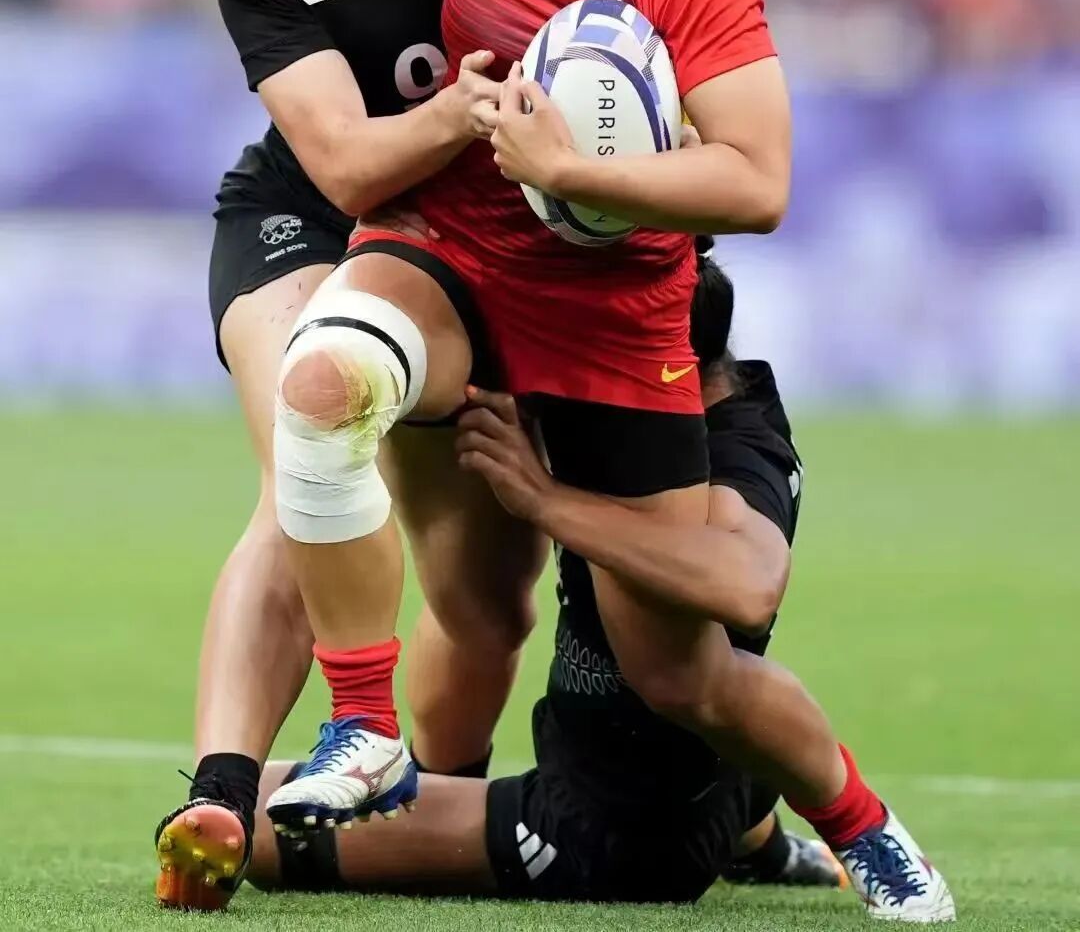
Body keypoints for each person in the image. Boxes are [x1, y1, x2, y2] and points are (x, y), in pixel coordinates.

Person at [182, 0, 955, 921]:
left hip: (612, 316)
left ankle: (858, 825)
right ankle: (363, 726)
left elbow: (758, 180)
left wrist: (574, 171)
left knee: (679, 674)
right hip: (454, 246)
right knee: (323, 383)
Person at [154, 0, 549, 916]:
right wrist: (470, 109)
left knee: (491, 599)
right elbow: (347, 162)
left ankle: (442, 799)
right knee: (307, 448)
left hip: (473, 243)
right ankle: (221, 790)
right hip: (306, 222)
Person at [243, 259, 943, 916]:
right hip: (724, 771)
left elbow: (750, 588)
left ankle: (867, 832)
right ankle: (762, 847)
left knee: (261, 820)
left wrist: (547, 501)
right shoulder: (626, 406)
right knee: (489, 619)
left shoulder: (739, 448)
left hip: (615, 834)